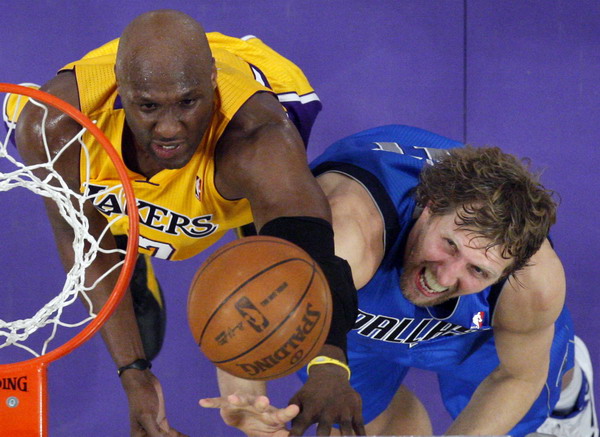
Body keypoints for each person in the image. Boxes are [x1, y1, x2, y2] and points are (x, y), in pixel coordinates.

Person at [8, 9, 358, 437]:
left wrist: (330, 362)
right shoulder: (52, 124)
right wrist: (133, 373)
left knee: (282, 262)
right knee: (137, 326)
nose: (169, 128)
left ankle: (249, 221)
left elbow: (315, 252)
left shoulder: (257, 140)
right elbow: (78, 235)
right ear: (120, 88)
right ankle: (132, 238)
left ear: (212, 80)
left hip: (232, 169)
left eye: (188, 103)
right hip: (111, 150)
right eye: (148, 106)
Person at [200, 124, 598, 437]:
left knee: (527, 405)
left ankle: (569, 393)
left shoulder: (532, 282)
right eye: (449, 245)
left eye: (478, 270)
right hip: (351, 307)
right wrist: (245, 396)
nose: (444, 276)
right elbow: (248, 289)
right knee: (364, 421)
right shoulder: (346, 236)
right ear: (428, 207)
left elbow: (517, 376)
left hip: (475, 331)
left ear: (507, 272)